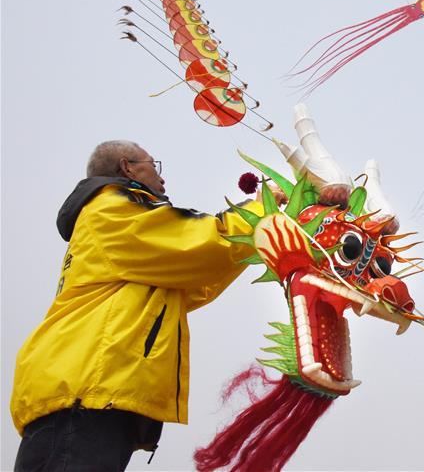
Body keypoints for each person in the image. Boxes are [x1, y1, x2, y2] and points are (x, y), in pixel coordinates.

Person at [10, 140, 274, 471]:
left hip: (88, 394)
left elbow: (196, 279)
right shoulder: (109, 210)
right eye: (154, 165)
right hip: (82, 395)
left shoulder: (123, 232)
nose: (162, 179)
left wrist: (261, 233)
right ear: (128, 167)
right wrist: (264, 212)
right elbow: (196, 243)